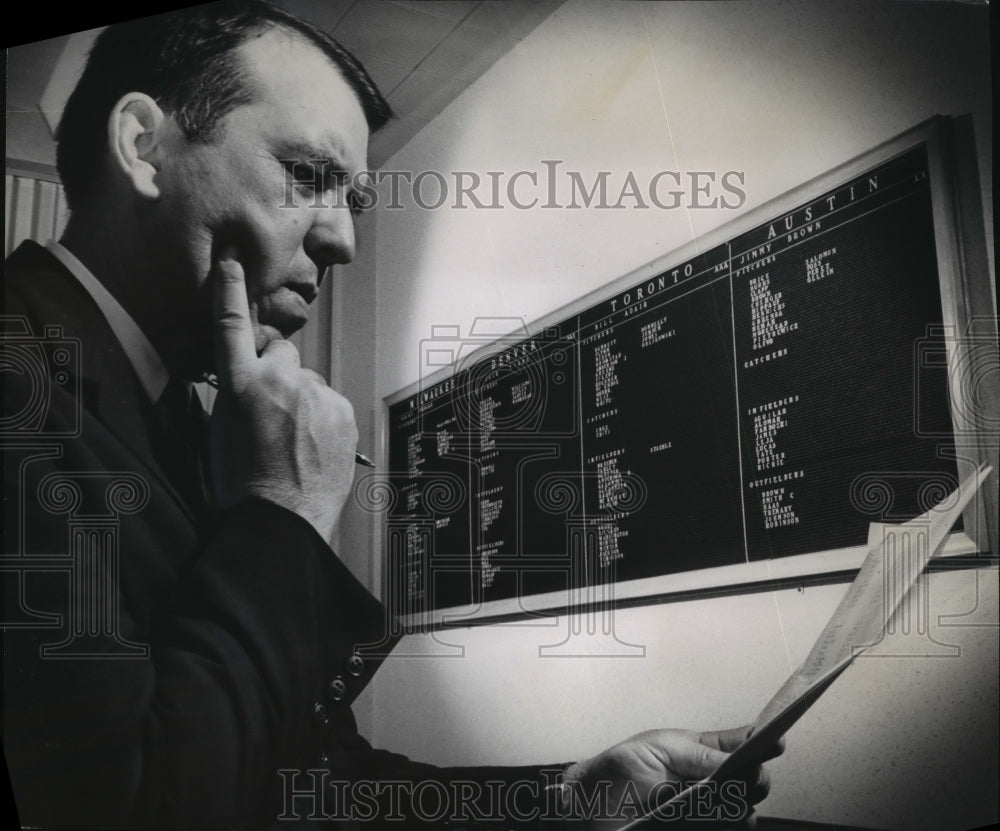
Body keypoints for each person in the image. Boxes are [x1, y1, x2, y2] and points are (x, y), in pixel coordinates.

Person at [1, 2, 781, 828]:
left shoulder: (187, 425)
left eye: (355, 200)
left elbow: (303, 780)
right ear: (142, 146)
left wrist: (567, 797)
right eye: (307, 174)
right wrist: (285, 512)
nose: (342, 241)